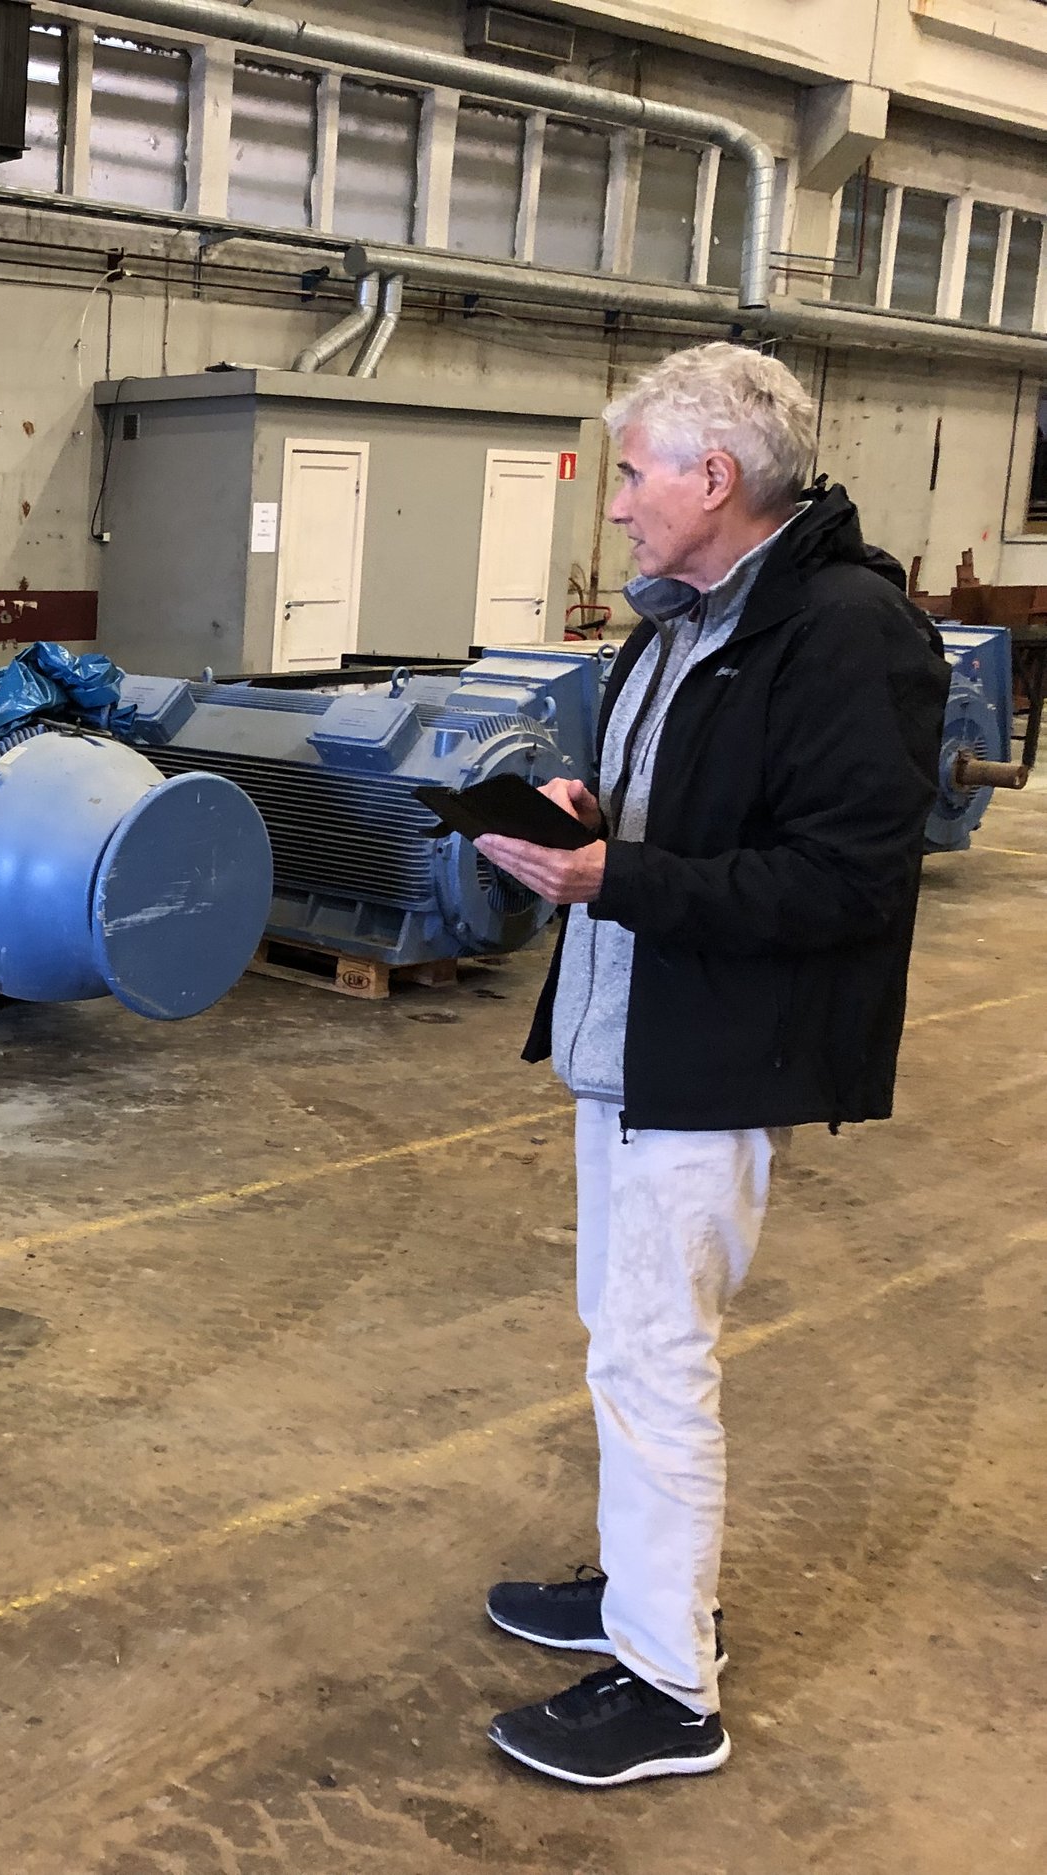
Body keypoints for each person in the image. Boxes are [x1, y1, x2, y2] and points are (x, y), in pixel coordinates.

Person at [471, 342, 946, 1787]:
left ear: (713, 477)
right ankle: (638, 1584)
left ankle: (671, 1684)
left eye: (631, 472)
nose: (615, 504)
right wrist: (585, 809)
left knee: (659, 1355)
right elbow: (696, 810)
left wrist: (613, 872)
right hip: (633, 1043)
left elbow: (845, 882)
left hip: (716, 1056)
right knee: (623, 1339)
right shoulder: (684, 621)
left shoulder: (846, 632)